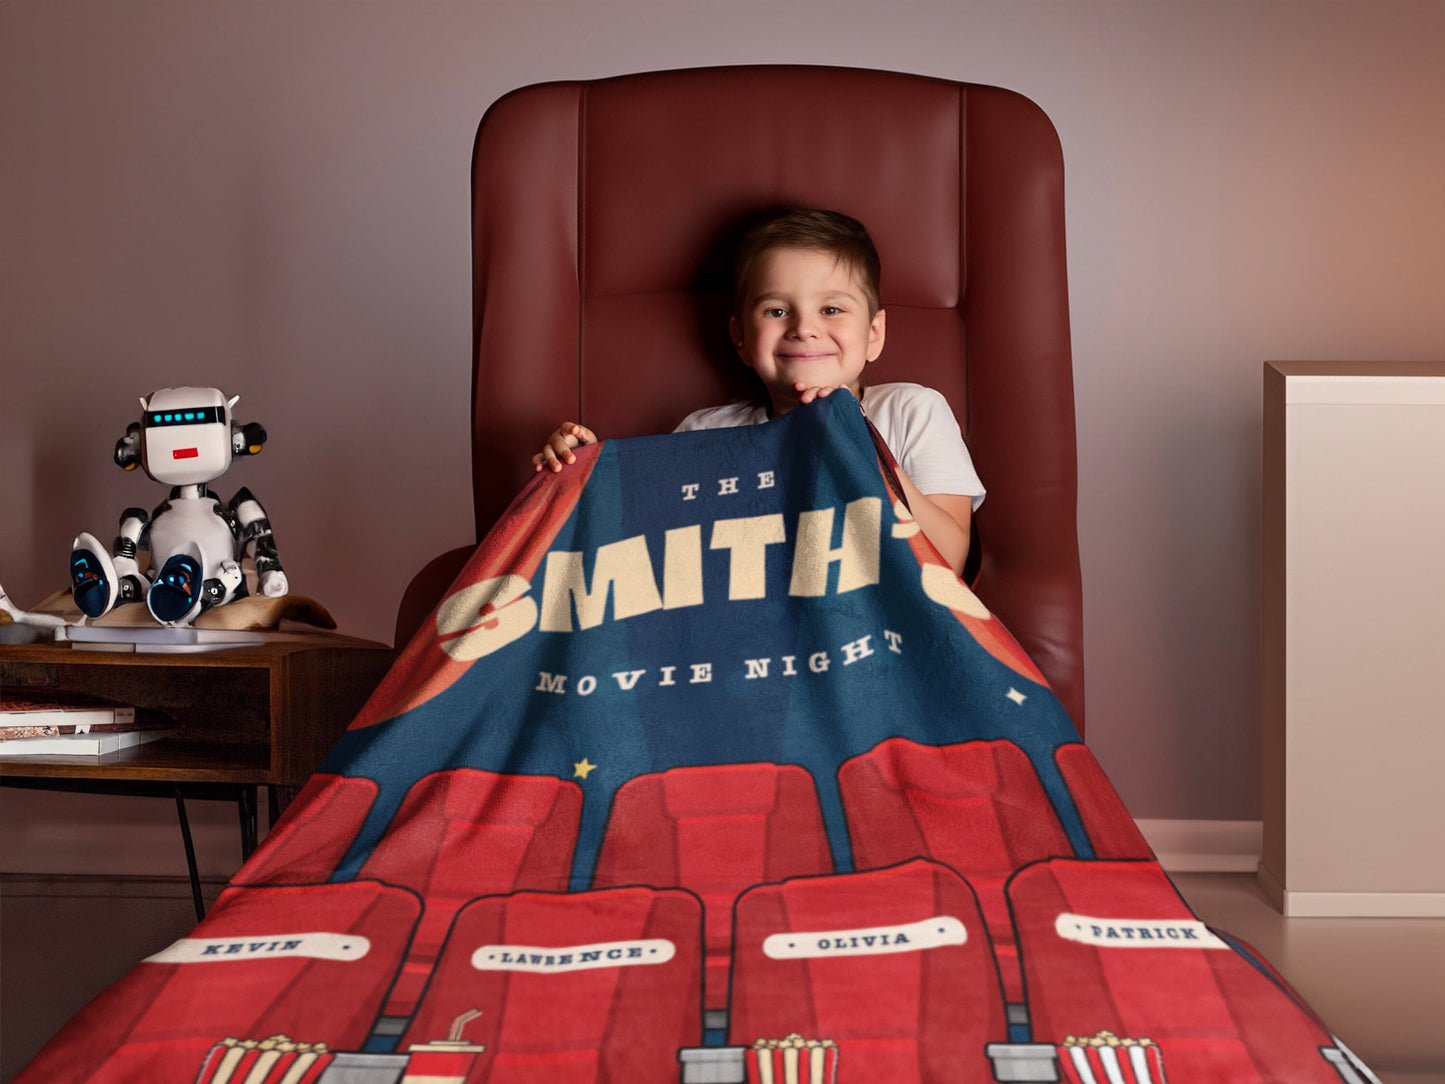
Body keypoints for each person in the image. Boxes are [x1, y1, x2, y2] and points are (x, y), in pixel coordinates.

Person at [533, 209, 985, 575]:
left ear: (873, 333)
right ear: (741, 339)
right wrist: (584, 475)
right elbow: (648, 548)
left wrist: (861, 441)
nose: (804, 328)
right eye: (776, 311)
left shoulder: (911, 411)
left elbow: (948, 561)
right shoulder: (706, 432)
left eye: (831, 309)